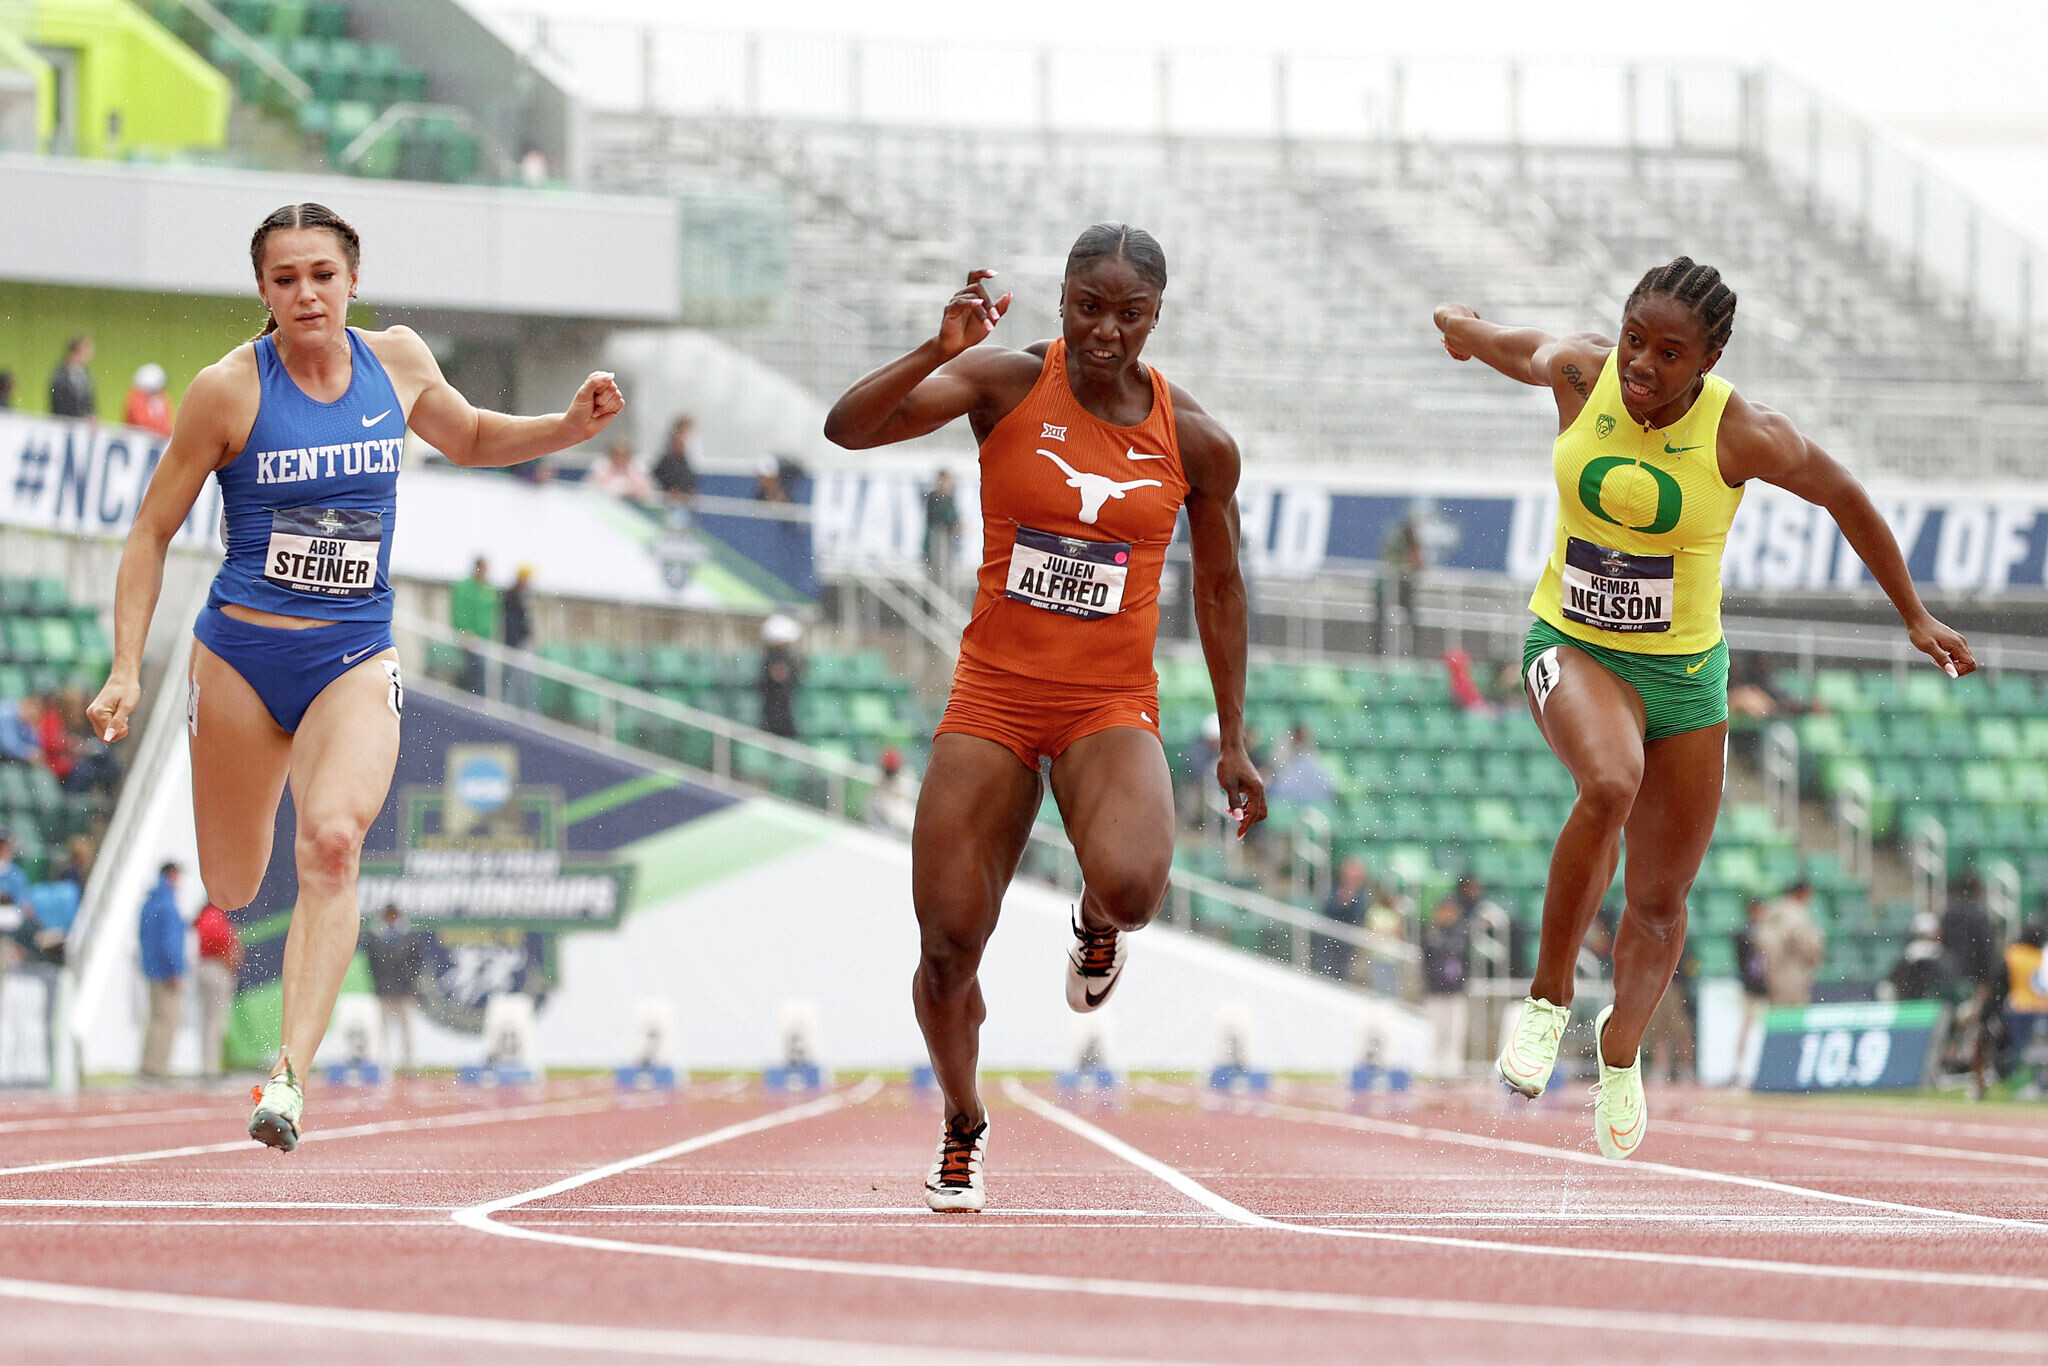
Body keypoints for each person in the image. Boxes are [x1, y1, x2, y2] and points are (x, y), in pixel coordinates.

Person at [87, 202, 623, 1150]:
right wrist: (128, 666)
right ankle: (246, 869)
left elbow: (471, 437)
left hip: (353, 657)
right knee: (233, 883)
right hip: (241, 660)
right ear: (263, 291)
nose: (306, 294)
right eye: (285, 278)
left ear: (353, 280)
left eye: (322, 275)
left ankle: (287, 1079)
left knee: (333, 844)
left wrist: (565, 427)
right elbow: (150, 531)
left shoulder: (398, 360)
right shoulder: (227, 391)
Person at [1437, 256, 1973, 1160]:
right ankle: (1548, 1000)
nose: (1641, 366)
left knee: (1659, 899)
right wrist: (1459, 326)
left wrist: (1914, 614)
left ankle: (1619, 1051)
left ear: (1710, 359)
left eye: (1669, 353)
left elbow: (1845, 496)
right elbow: (1504, 344)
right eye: (1634, 340)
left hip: (1685, 677)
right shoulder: (1581, 373)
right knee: (1609, 783)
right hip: (1572, 644)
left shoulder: (1743, 434)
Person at [823, 225, 1264, 1212]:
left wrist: (1233, 737)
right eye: (1087, 307)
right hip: (994, 694)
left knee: (1134, 887)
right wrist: (937, 348)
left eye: (1129, 314)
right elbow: (847, 429)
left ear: (1157, 315)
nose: (1106, 331)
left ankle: (1095, 928)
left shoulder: (1196, 442)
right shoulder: (1007, 384)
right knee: (945, 947)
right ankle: (963, 1120)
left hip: (1107, 702)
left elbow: (1221, 589)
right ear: (1061, 299)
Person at [137, 863, 185, 1082]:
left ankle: (148, 1064)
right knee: (166, 1020)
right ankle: (158, 1068)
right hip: (165, 973)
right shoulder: (168, 904)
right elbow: (171, 942)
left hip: (152, 969)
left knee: (154, 1019)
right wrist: (174, 970)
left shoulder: (150, 903)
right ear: (171, 874)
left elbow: (144, 937)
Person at [362, 903, 422, 1074]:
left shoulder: (408, 936)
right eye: (389, 915)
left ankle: (409, 1066)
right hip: (385, 991)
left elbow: (417, 962)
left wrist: (409, 983)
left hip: (404, 991)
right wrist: (381, 985)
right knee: (383, 1031)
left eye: (393, 915)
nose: (391, 918)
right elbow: (372, 964)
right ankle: (384, 1066)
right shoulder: (376, 936)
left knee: (407, 1032)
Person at [1421, 896, 1471, 1078]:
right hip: (1435, 991)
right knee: (1435, 1031)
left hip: (1456, 992)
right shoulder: (1431, 932)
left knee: (1455, 1032)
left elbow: (1462, 955)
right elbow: (1428, 957)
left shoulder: (1461, 932)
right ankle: (1433, 1068)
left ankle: (1453, 1068)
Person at [192, 900, 241, 1080]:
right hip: (216, 969)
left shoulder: (205, 915)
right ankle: (211, 1067)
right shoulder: (214, 916)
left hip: (207, 967)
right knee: (215, 1021)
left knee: (209, 1021)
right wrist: (230, 952)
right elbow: (217, 941)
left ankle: (210, 1065)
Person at [1759, 879, 1827, 1007]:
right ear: (1802, 893)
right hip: (1792, 972)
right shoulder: (1794, 912)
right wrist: (1814, 955)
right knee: (1793, 1012)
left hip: (1773, 971)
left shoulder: (1774, 911)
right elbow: (1806, 942)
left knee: (1778, 1010)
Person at [449, 556, 501, 697]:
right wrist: (463, 632)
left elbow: (492, 614)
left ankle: (475, 701)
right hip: (467, 639)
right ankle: (467, 700)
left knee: (481, 674)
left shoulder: (488, 589)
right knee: (471, 672)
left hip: (483, 640)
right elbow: (459, 611)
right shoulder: (464, 587)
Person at [1315, 854, 1370, 982]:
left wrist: (1349, 900)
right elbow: (1327, 909)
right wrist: (1342, 900)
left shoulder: (1362, 896)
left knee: (1340, 976)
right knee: (1323, 974)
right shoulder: (1334, 888)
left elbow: (1358, 916)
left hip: (1345, 945)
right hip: (1327, 940)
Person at [757, 614, 803, 740]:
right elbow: (777, 677)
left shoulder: (787, 657)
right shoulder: (772, 658)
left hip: (785, 710)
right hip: (774, 712)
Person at [500, 564, 536, 710]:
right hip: (515, 644)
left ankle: (526, 710)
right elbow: (512, 622)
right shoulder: (512, 596)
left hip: (522, 643)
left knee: (526, 680)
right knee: (512, 679)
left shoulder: (523, 596)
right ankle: (508, 708)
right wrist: (517, 639)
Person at [652, 415, 700, 520]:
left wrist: (686, 491)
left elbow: (689, 480)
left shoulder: (685, 462)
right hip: (665, 504)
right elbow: (657, 479)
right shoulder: (665, 461)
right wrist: (669, 490)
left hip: (682, 504)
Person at [923, 469, 961, 585]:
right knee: (937, 575)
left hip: (946, 546)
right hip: (937, 546)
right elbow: (943, 519)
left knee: (945, 575)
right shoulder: (935, 498)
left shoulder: (948, 499)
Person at [587, 435, 653, 501]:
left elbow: (647, 491)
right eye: (617, 455)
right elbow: (591, 489)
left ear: (629, 456)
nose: (620, 458)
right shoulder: (601, 468)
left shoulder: (637, 469)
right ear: (611, 455)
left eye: (624, 455)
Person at [49, 336, 95, 419]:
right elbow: (59, 402)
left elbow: (89, 401)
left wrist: (90, 415)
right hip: (64, 421)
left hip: (81, 423)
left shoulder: (85, 373)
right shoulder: (61, 374)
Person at [126, 363, 174, 436]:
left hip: (158, 440)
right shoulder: (136, 399)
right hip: (142, 439)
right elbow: (142, 424)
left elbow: (167, 426)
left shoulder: (161, 398)